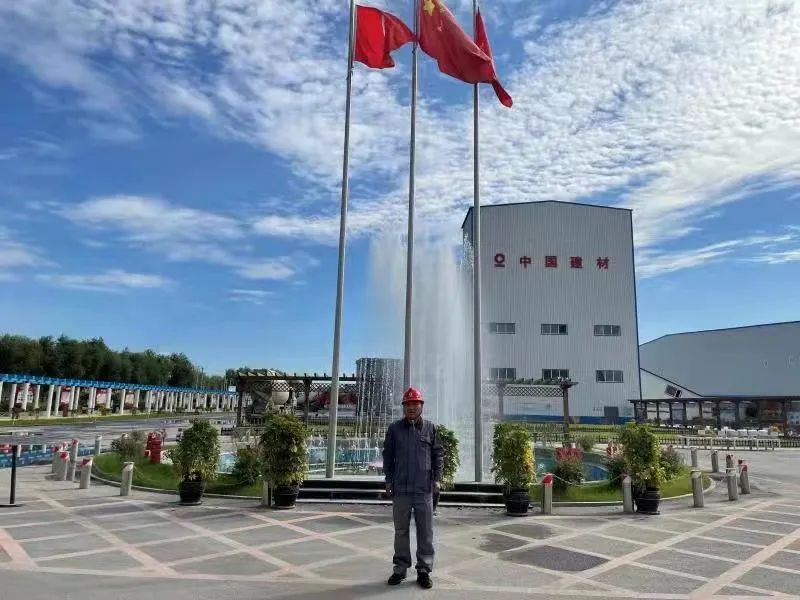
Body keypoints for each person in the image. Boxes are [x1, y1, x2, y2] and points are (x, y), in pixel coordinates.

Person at [382, 387, 443, 589]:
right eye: (408, 404)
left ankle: (424, 569)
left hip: (423, 489)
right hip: (401, 489)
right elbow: (388, 457)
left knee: (425, 531)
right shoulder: (394, 429)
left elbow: (437, 455)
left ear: (421, 406)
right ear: (403, 407)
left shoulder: (430, 428)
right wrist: (388, 480)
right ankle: (400, 568)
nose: (411, 408)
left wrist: (437, 479)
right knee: (401, 530)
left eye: (415, 404)